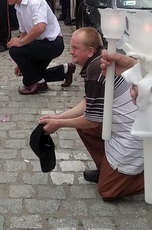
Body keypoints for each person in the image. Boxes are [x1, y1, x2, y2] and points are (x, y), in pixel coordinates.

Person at [40, 28, 144, 201]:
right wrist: (58, 117)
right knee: (83, 128)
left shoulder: (97, 69)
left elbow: (91, 121)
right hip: (122, 123)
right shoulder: (95, 64)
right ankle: (105, 168)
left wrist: (58, 124)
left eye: (75, 47)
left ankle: (144, 177)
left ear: (90, 51)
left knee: (107, 192)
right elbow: (89, 103)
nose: (70, 51)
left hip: (131, 133)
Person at [6, 0, 75, 94]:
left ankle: (39, 84)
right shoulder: (18, 8)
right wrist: (21, 64)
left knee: (15, 50)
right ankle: (65, 70)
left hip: (52, 44)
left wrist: (20, 43)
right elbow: (23, 33)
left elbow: (40, 27)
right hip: (39, 44)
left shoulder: (36, 2)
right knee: (31, 76)